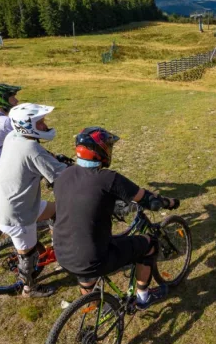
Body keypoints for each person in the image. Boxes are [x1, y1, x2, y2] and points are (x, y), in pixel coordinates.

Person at [53, 127, 180, 309]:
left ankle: (98, 305)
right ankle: (143, 298)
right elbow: (149, 200)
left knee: (85, 266)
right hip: (93, 257)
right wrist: (169, 202)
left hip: (62, 252)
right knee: (150, 244)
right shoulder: (108, 179)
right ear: (100, 152)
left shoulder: (64, 175)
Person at [0, 103, 68, 298]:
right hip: (19, 214)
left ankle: (59, 246)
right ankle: (29, 289)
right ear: (28, 125)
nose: (44, 125)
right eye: (40, 122)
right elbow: (62, 176)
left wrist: (52, 157)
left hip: (12, 203)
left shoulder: (13, 137)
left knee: (56, 210)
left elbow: (40, 158)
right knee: (26, 256)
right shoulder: (31, 149)